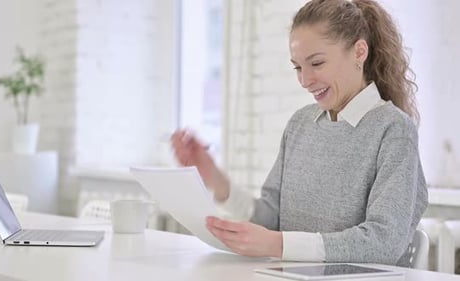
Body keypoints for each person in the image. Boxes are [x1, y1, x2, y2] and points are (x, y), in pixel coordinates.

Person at [171, 0, 427, 266]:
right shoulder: (301, 124)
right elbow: (270, 219)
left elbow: (383, 242)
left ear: (359, 52)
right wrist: (215, 180)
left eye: (316, 63)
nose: (305, 80)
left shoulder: (393, 130)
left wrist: (278, 244)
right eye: (297, 67)